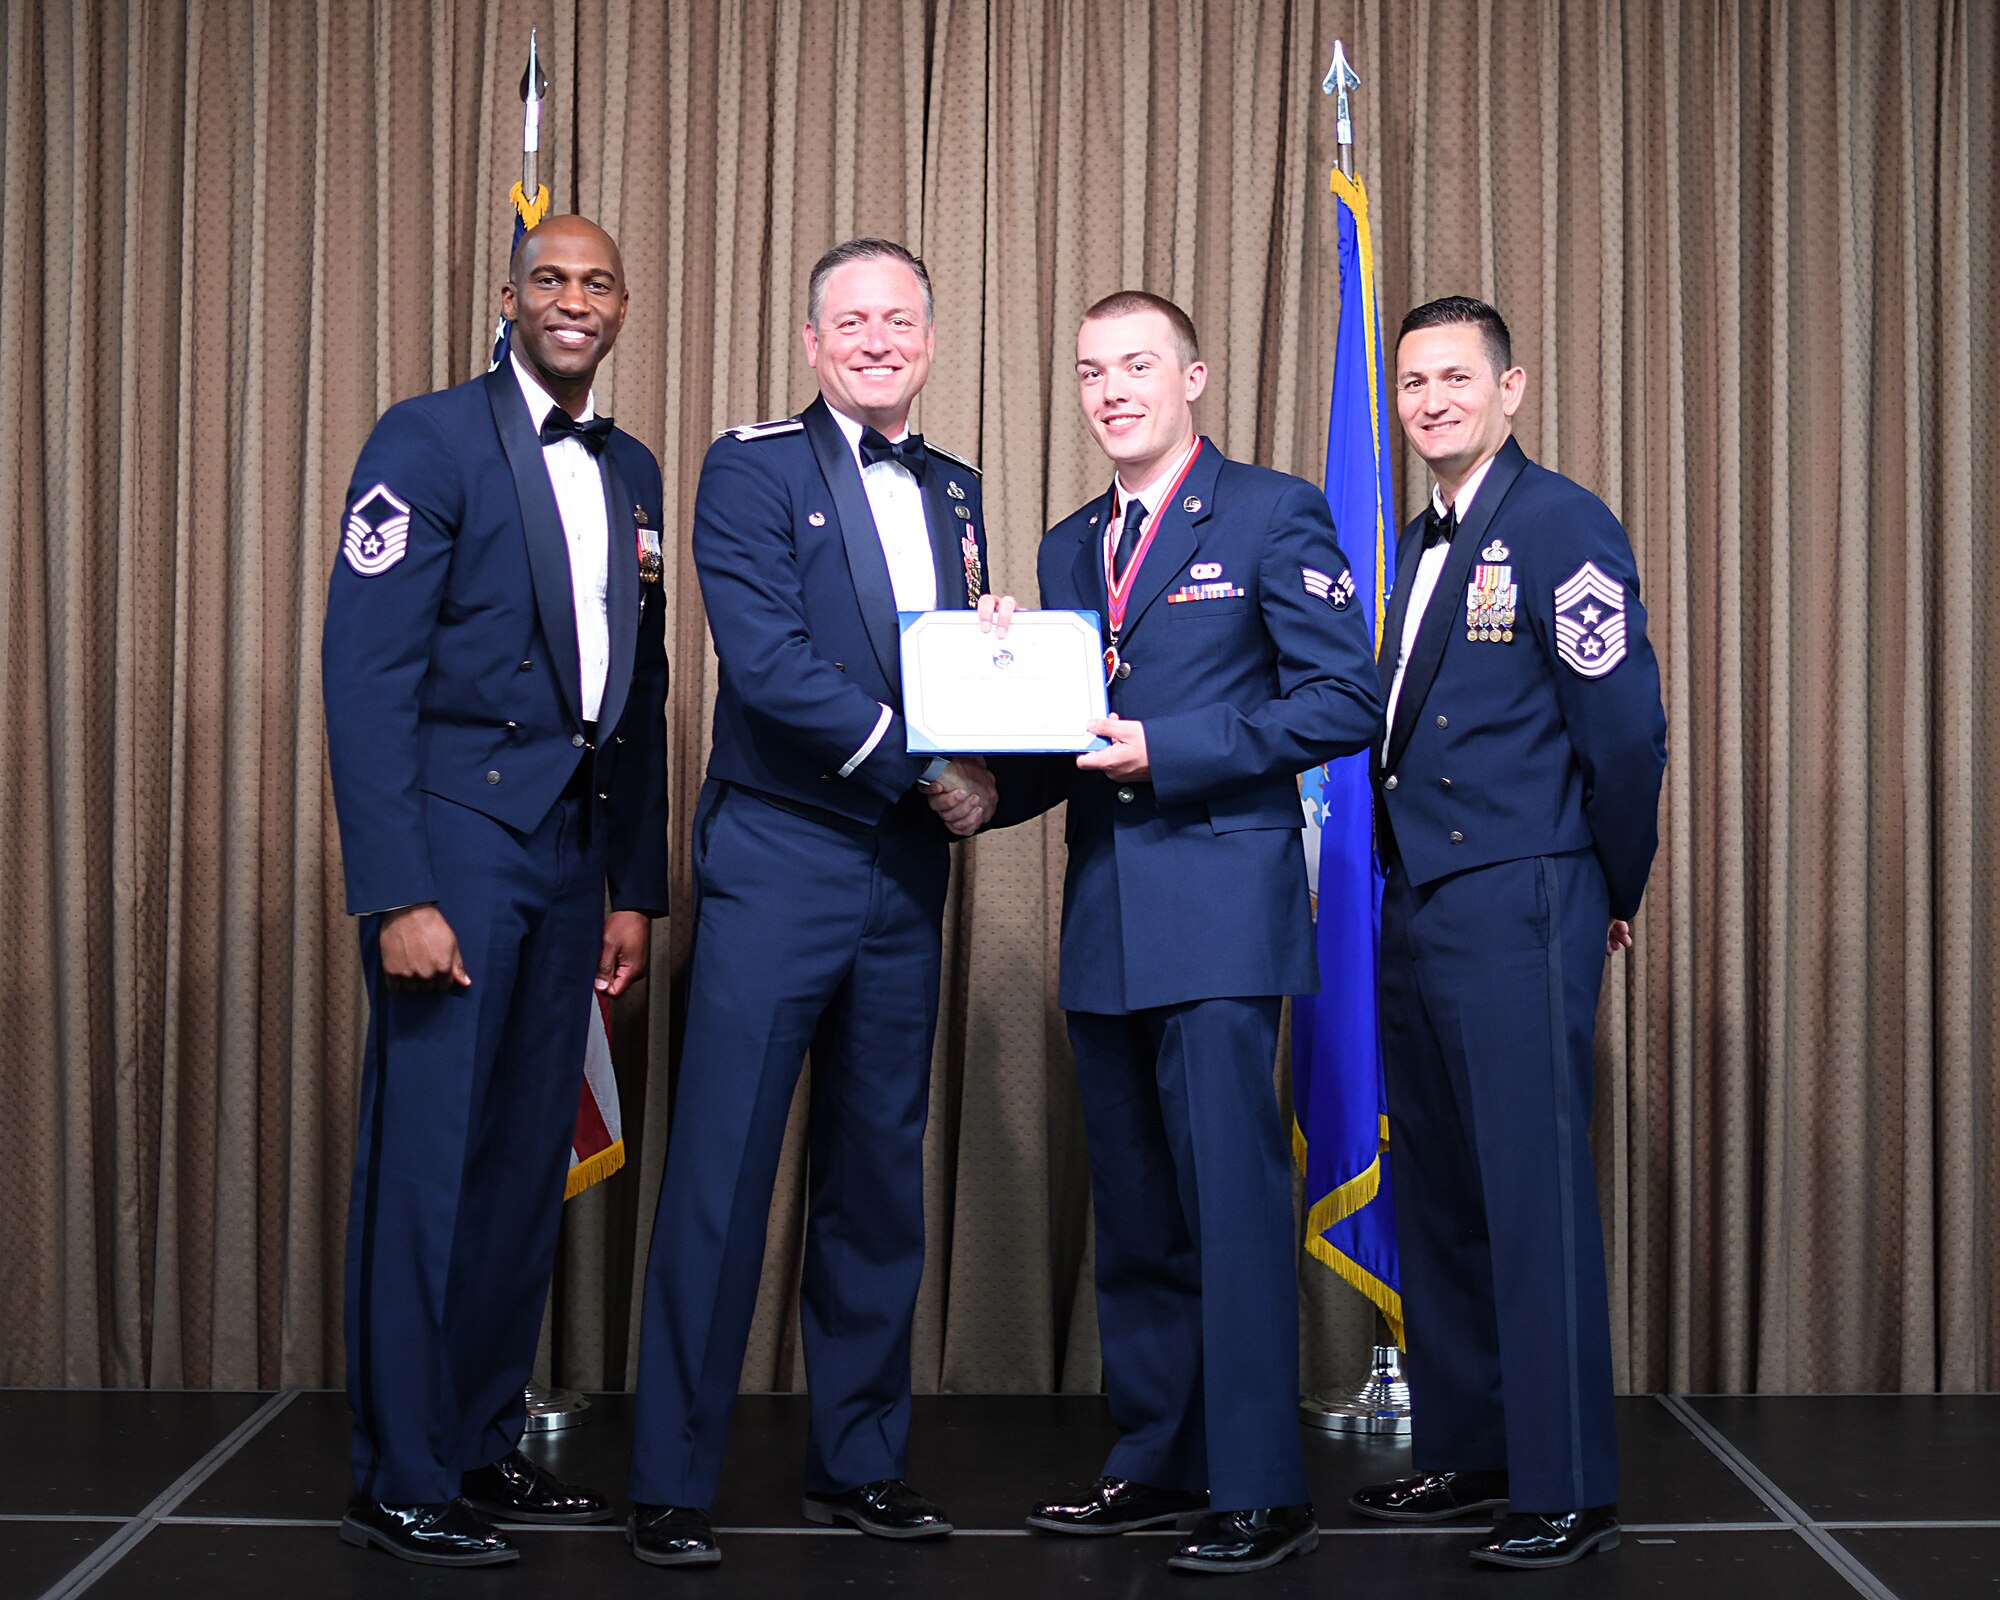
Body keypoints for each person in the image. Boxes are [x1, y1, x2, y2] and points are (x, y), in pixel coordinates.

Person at [625, 238, 996, 1569]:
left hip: (903, 875)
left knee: (876, 1181)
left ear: (932, 340)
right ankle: (670, 1478)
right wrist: (929, 763)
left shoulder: (956, 491)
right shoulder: (750, 464)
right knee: (722, 1171)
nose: (877, 339)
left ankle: (860, 1460)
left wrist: (998, 723)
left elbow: (958, 673)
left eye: (900, 319)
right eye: (853, 320)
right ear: (811, 339)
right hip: (780, 855)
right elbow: (771, 666)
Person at [322, 215, 669, 1568]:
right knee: (429, 1167)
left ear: (623, 307)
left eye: (596, 284)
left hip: (575, 858)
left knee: (527, 1165)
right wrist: (396, 889)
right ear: (508, 297)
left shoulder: (630, 465)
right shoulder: (426, 439)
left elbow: (633, 702)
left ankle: (478, 1444)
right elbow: (366, 680)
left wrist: (633, 882)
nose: (572, 301)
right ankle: (398, 1473)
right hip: (455, 855)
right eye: (550, 281)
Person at [1017, 291, 1382, 1574]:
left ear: (1194, 377)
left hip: (1223, 911)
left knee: (1228, 1202)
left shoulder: (1273, 511)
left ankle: (1257, 1487)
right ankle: (1153, 1460)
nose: (1110, 389)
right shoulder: (1069, 546)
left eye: (1135, 365)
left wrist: (1170, 749)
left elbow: (1343, 695)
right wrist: (973, 774)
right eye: (1088, 371)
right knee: (1135, 1214)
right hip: (1107, 912)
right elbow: (1065, 740)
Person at [1348, 295, 1667, 1571]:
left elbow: (1624, 733)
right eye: (1412, 381)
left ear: (1510, 387)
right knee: (1442, 1193)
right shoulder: (1419, 540)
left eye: (1454, 379)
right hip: (1418, 903)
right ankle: (1471, 1449)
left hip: (1524, 895)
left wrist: (1612, 884)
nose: (1429, 400)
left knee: (1528, 1194)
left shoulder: (1558, 521)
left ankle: (1564, 1481)